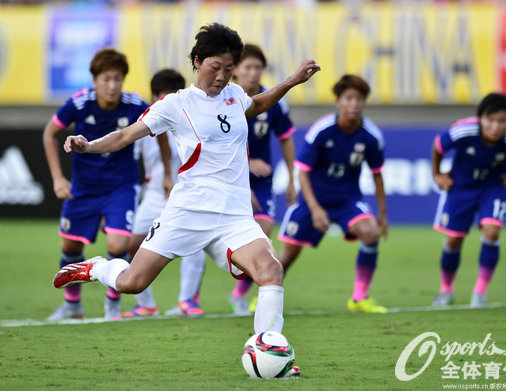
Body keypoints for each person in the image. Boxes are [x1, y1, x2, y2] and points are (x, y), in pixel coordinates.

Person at [53, 23, 319, 376]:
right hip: (188, 212)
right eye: (215, 67)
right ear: (197, 61)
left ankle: (270, 355)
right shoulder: (175, 105)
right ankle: (95, 267)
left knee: (271, 271)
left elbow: (255, 105)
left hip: (234, 217)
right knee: (133, 283)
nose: (222, 76)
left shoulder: (235, 96)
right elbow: (125, 135)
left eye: (229, 68)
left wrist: (290, 81)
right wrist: (89, 145)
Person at [43, 48, 149, 321]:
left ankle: (113, 302)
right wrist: (57, 178)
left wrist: (165, 174)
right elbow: (49, 133)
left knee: (118, 243)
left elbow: (158, 131)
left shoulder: (136, 105)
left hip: (121, 186)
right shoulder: (79, 104)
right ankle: (72, 304)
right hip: (84, 187)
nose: (112, 86)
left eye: (117, 79)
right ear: (95, 80)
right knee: (70, 247)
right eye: (106, 79)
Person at [278, 75, 389, 314]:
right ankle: (257, 296)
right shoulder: (322, 130)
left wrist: (382, 213)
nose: (354, 104)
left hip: (347, 200)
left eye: (359, 99)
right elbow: (303, 173)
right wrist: (316, 209)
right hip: (312, 200)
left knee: (370, 233)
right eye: (349, 98)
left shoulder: (371, 136)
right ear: (338, 101)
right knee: (287, 255)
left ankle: (359, 298)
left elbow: (378, 175)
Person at [431, 92, 506, 308]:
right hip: (460, 187)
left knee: (491, 232)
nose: (495, 126)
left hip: (493, 189)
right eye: (490, 120)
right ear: (481, 118)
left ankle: (480, 292)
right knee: (454, 240)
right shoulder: (464, 131)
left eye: (502, 121)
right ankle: (446, 290)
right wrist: (437, 175)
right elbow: (438, 145)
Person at [121, 69, 206, 318]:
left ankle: (187, 300)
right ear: (154, 97)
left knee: (195, 244)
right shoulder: (146, 125)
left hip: (187, 195)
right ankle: (146, 304)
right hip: (155, 195)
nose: (166, 102)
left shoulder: (192, 123)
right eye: (161, 97)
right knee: (131, 244)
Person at [227, 43, 298, 316]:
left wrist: (291, 178)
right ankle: (191, 297)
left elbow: (286, 139)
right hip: (231, 179)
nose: (254, 73)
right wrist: (246, 165)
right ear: (236, 70)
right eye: (248, 67)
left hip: (263, 181)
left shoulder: (273, 99)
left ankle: (239, 294)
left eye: (258, 67)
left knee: (264, 230)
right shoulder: (225, 98)